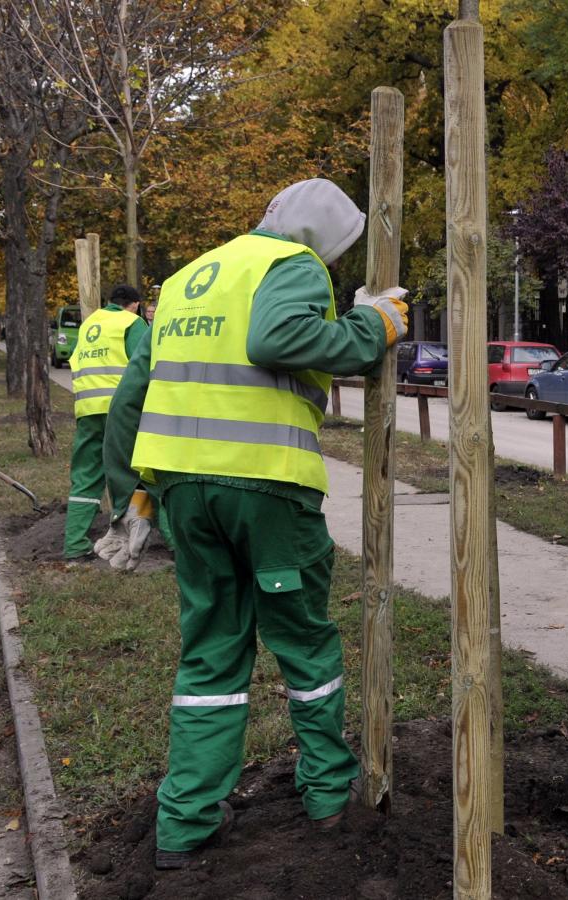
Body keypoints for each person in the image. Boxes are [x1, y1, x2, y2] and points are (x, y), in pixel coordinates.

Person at [101, 178, 409, 869]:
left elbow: (132, 395)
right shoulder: (292, 264)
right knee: (302, 640)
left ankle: (184, 824)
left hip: (187, 493)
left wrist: (137, 493)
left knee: (212, 651)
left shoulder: (187, 279)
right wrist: (373, 326)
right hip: (266, 491)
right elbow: (278, 338)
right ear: (323, 239)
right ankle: (329, 799)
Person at [62, 284, 149, 562]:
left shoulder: (90, 324)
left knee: (87, 476)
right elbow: (145, 362)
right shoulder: (131, 323)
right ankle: (173, 543)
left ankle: (75, 545)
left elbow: (75, 361)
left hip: (87, 410)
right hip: (121, 412)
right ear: (134, 304)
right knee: (145, 472)